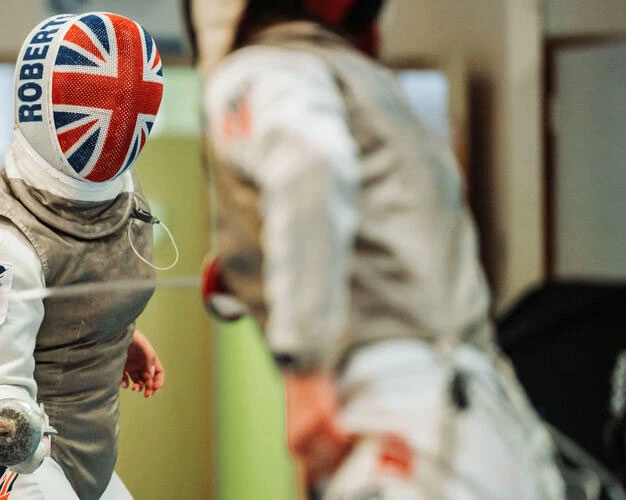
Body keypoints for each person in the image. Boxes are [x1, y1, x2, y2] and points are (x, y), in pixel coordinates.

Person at [188, 0, 566, 498]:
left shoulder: (260, 70)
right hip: (476, 412)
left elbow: (310, 165)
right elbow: (375, 234)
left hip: (400, 408)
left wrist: (306, 370)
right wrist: (254, 270)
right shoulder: (368, 85)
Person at [0, 12, 166, 500]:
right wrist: (8, 419)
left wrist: (117, 334)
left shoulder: (120, 198)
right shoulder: (0, 241)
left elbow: (78, 285)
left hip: (85, 460)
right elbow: (0, 389)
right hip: (2, 464)